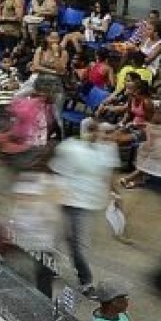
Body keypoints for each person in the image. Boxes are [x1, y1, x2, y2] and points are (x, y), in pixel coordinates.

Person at [50, 124, 119, 297]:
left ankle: (85, 281)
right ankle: (51, 269)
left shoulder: (108, 151)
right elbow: (56, 171)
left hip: (85, 205)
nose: (101, 135)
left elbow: (109, 177)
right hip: (66, 199)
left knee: (76, 244)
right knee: (59, 237)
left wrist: (115, 195)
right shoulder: (70, 147)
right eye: (95, 131)